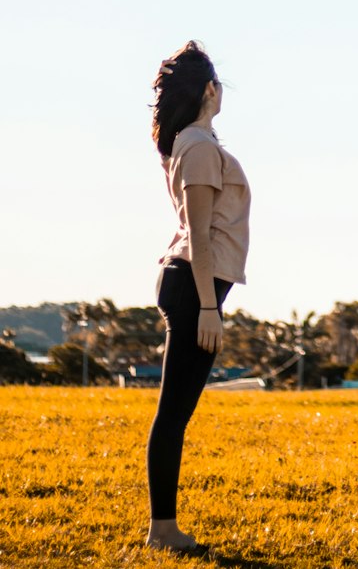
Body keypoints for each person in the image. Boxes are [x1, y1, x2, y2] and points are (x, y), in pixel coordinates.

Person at [146, 41, 251, 554]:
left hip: (189, 281)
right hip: (193, 285)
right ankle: (162, 530)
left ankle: (163, 527)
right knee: (173, 413)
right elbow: (203, 234)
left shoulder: (191, 142)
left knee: (174, 413)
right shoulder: (201, 148)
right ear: (211, 91)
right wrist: (209, 307)